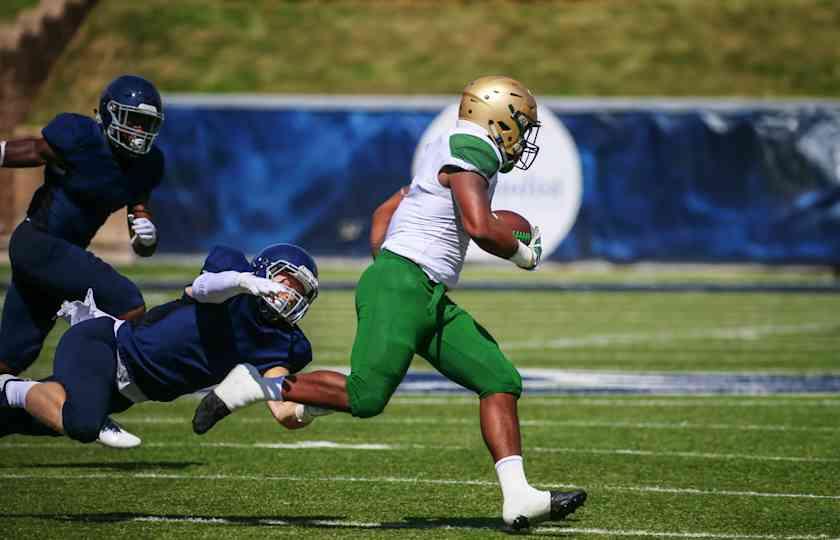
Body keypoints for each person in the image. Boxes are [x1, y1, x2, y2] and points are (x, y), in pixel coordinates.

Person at [192, 76, 587, 530]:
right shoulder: (473, 147)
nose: (523, 137)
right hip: (405, 285)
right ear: (498, 120)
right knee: (366, 396)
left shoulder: (453, 149)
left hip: (422, 291)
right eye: (521, 124)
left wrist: (389, 266)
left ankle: (518, 498)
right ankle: (257, 384)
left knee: (499, 378)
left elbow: (386, 211)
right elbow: (479, 227)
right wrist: (520, 252)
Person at [0, 243, 330, 446]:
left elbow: (283, 410)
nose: (292, 295)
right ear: (263, 271)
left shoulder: (283, 343)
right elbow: (201, 288)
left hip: (129, 393)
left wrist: (316, 406)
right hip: (105, 346)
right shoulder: (231, 280)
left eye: (302, 292)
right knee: (83, 424)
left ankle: (10, 398)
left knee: (17, 421)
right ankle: (9, 386)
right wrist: (242, 282)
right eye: (289, 283)